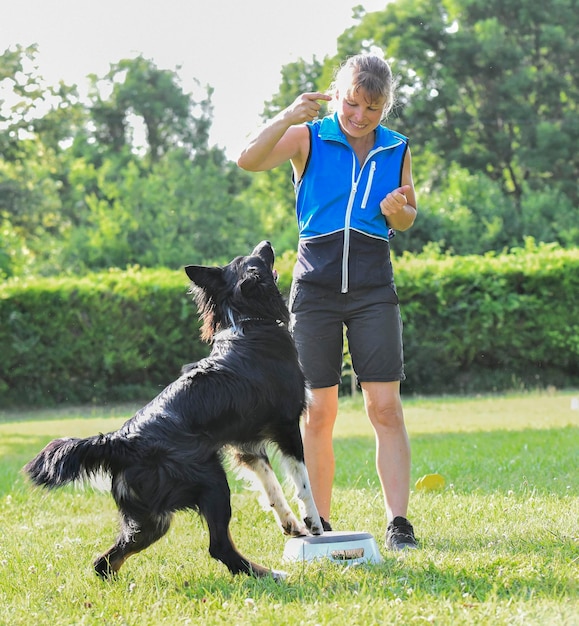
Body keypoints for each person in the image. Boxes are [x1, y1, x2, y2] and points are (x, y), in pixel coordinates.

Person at [237, 53, 418, 550]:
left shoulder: (396, 148)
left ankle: (399, 524)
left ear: (386, 108)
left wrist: (398, 211)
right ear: (337, 94)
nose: (360, 116)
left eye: (373, 109)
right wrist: (285, 116)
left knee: (386, 408)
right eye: (352, 103)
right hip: (314, 289)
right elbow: (247, 159)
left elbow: (407, 217)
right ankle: (321, 525)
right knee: (318, 411)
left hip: (373, 288)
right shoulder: (309, 136)